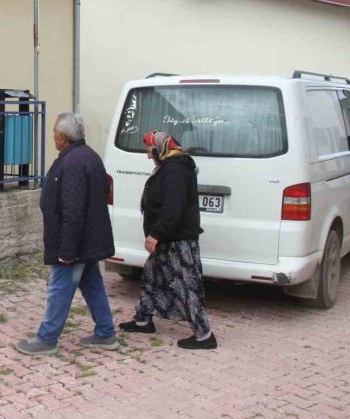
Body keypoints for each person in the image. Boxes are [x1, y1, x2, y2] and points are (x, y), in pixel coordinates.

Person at [16, 113, 118, 355]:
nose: (53, 137)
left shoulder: (73, 163)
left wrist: (68, 251)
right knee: (91, 283)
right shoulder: (89, 156)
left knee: (59, 287)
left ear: (62, 137)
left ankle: (47, 338)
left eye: (54, 133)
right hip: (89, 239)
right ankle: (106, 333)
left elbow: (73, 210)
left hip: (75, 242)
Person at [119, 131, 217, 349]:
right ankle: (143, 320)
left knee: (186, 285)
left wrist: (156, 234)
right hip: (168, 238)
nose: (148, 156)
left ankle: (204, 335)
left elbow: (173, 208)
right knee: (152, 278)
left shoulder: (174, 170)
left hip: (176, 240)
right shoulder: (172, 166)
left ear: (160, 149)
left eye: (150, 151)